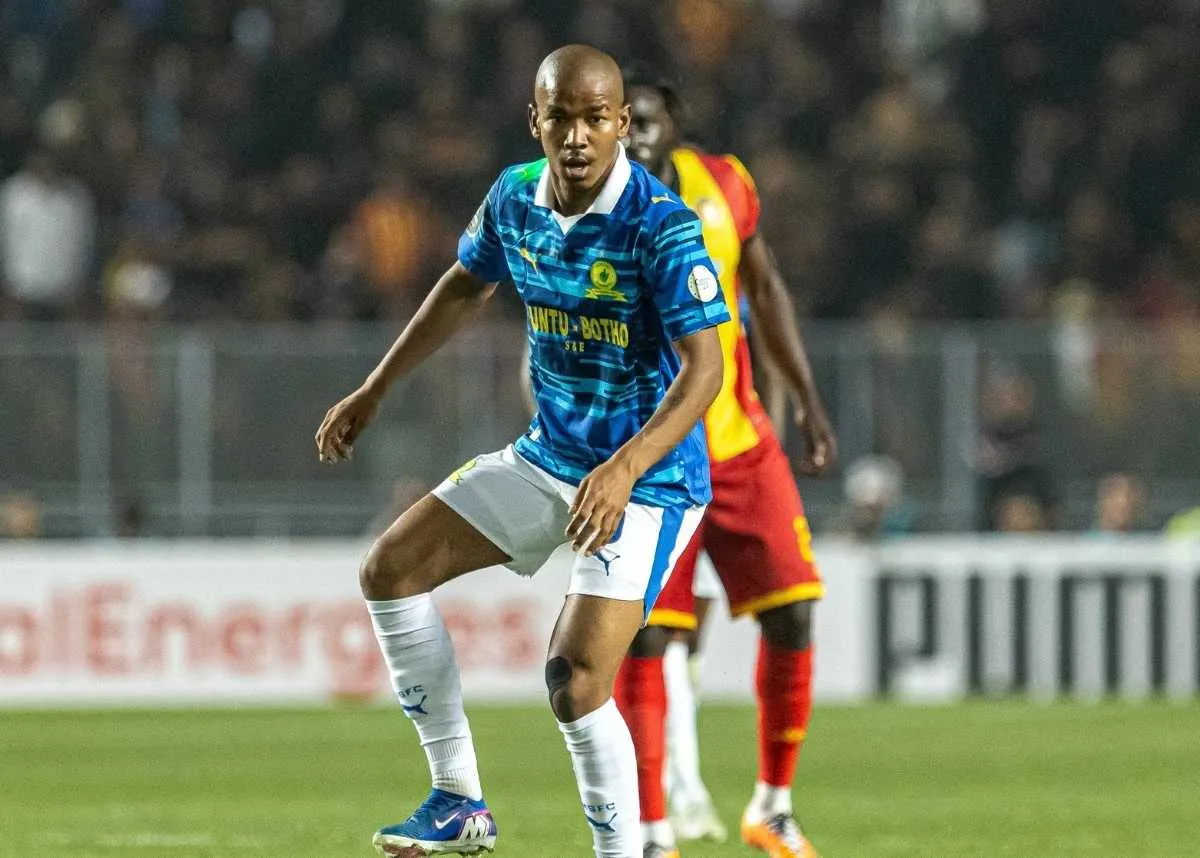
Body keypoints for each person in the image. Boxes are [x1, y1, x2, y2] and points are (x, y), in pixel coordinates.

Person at [315, 45, 730, 858]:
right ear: (534, 120)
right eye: (560, 118)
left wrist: (625, 468)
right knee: (389, 571)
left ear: (620, 123)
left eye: (595, 119)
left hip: (649, 483)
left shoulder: (660, 225)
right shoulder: (513, 197)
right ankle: (458, 801)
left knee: (575, 681)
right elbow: (464, 285)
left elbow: (705, 371)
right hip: (550, 458)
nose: (577, 136)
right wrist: (376, 387)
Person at [613, 69, 837, 858]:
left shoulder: (726, 185)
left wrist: (805, 399)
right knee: (645, 639)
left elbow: (764, 291)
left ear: (675, 126)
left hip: (739, 443)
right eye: (620, 123)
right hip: (649, 456)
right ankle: (650, 832)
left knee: (795, 610)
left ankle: (773, 806)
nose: (633, 136)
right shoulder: (588, 211)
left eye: (645, 121)